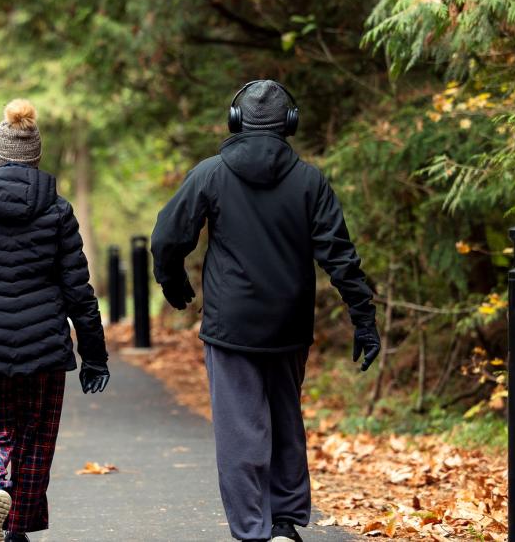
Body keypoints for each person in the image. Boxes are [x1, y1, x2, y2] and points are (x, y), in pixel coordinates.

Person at [150, 80, 381, 542]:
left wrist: (172, 279)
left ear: (236, 122)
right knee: (285, 420)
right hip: (289, 325)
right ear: (288, 125)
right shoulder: (310, 180)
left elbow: (167, 237)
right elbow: (339, 256)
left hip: (230, 325)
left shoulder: (211, 174)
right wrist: (364, 318)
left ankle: (253, 531)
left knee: (240, 429)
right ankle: (285, 524)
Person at [0, 99, 110, 542]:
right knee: (35, 442)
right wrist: (95, 356)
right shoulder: (58, 210)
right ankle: (16, 529)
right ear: (36, 157)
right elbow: (77, 290)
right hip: (43, 351)